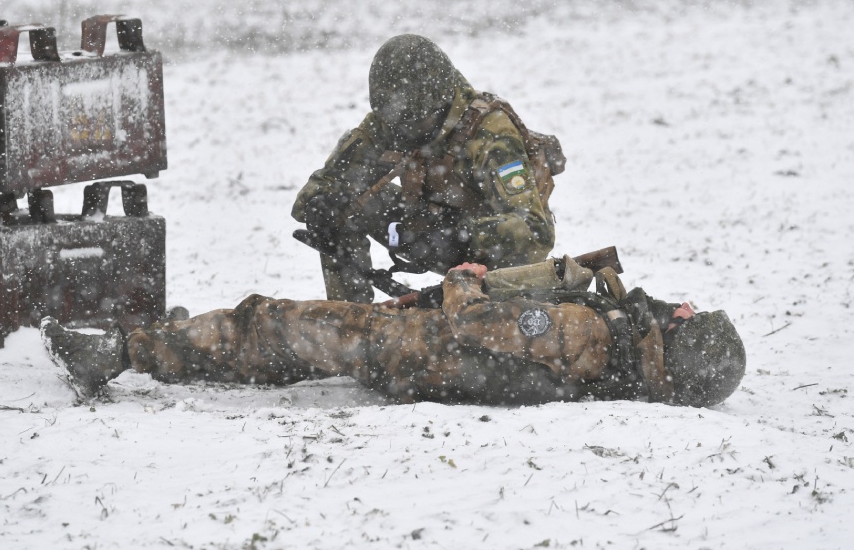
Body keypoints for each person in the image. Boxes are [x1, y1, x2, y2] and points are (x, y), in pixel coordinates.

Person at [42, 257, 746, 408]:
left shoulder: (581, 329)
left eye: (690, 316)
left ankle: (124, 352)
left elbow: (474, 323)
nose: (680, 305)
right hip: (422, 358)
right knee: (275, 349)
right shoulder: (618, 357)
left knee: (272, 324)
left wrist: (463, 279)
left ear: (680, 336)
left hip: (407, 348)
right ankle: (174, 344)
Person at [292, 34, 565, 303]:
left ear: (442, 104)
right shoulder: (389, 122)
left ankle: (485, 314)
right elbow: (317, 191)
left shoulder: (490, 133)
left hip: (484, 255)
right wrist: (322, 205)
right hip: (419, 231)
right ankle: (350, 322)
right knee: (337, 202)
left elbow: (536, 232)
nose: (403, 132)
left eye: (414, 122)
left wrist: (462, 234)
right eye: (396, 122)